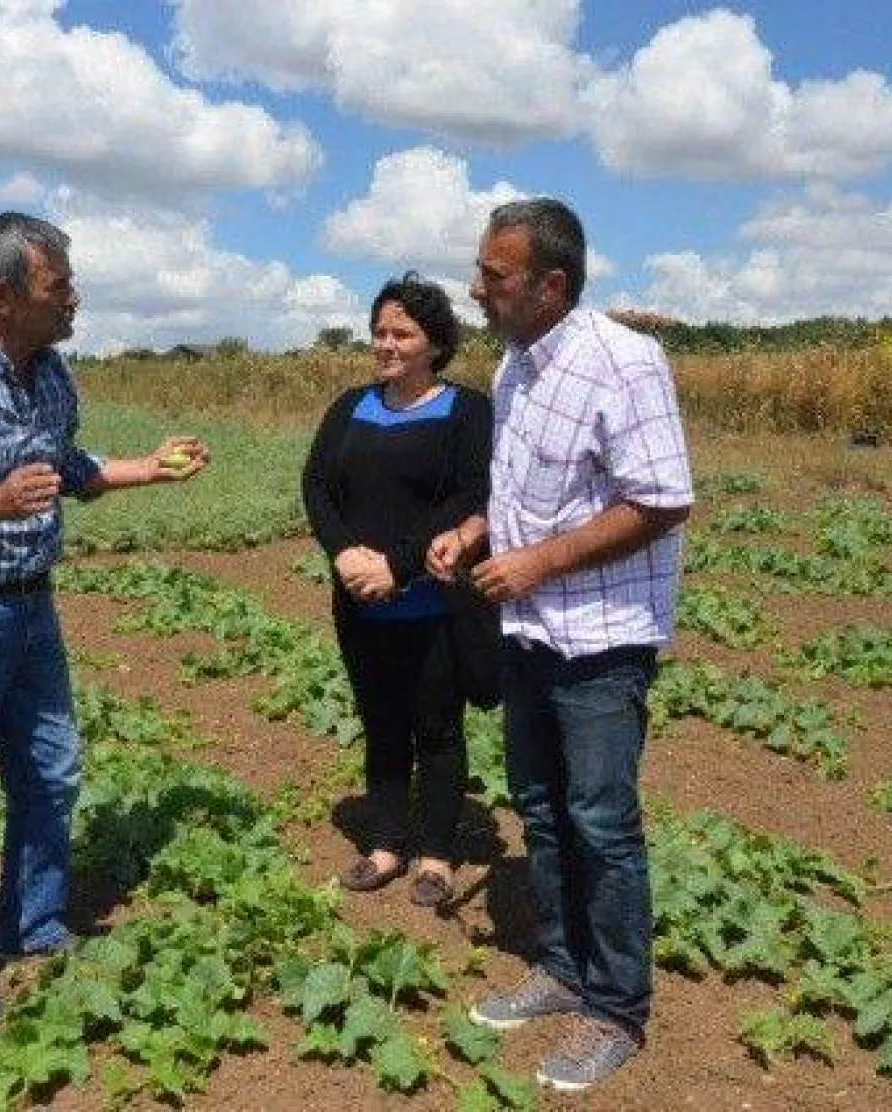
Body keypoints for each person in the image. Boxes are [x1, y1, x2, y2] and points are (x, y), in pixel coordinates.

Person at [0, 212, 208, 1021]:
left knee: (50, 775)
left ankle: (35, 922)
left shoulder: (53, 373)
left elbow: (70, 471)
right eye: (58, 286)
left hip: (30, 609)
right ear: (0, 295)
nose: (74, 299)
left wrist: (153, 471)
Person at [428, 199, 692, 1091]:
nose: (477, 289)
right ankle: (563, 967)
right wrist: (475, 532)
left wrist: (537, 562)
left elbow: (661, 499)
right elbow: (525, 493)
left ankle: (616, 1008)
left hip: (602, 642)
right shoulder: (514, 371)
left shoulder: (624, 361)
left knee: (602, 823)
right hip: (531, 633)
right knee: (541, 810)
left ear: (550, 283)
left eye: (493, 276)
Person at [302, 273, 492, 910]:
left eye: (401, 333)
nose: (385, 344)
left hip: (432, 601)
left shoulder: (465, 412)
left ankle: (436, 853)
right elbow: (317, 486)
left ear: (435, 343)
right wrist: (345, 553)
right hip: (360, 602)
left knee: (437, 727)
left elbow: (471, 496)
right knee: (381, 722)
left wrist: (398, 565)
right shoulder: (350, 407)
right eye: (379, 332)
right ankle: (385, 844)